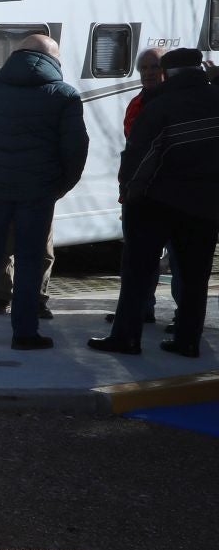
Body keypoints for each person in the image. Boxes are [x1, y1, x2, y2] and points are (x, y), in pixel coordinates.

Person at [91, 48, 219, 358]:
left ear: (168, 73)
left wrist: (130, 193)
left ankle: (126, 338)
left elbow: (141, 158)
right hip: (205, 206)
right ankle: (188, 341)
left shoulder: (159, 105)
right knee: (194, 278)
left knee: (138, 273)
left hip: (156, 204)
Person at [0, 34, 88, 350]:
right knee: (31, 262)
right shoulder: (64, 96)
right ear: (52, 61)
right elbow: (75, 149)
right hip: (37, 193)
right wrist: (60, 186)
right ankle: (24, 333)